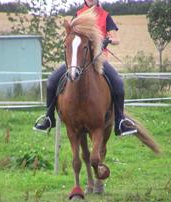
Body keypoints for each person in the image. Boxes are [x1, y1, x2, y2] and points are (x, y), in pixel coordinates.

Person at [33, 0, 137, 136]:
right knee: (52, 81)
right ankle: (49, 118)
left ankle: (120, 121)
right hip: (78, 58)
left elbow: (116, 38)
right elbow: (70, 34)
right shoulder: (78, 14)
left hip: (99, 58)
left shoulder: (105, 15)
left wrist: (108, 40)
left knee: (118, 84)